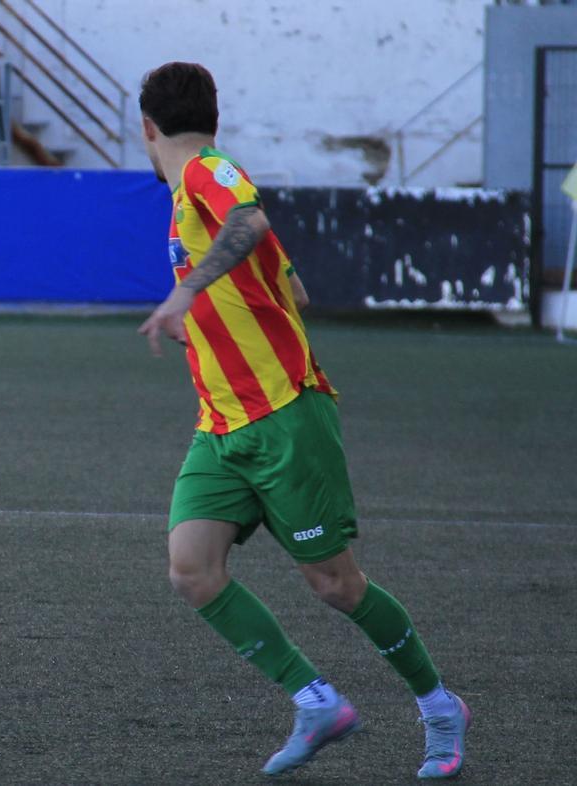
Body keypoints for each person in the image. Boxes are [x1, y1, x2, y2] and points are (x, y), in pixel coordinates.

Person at [135, 62, 470, 779]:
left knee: (336, 585)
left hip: (286, 412)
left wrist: (187, 294)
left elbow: (249, 221)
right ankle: (316, 701)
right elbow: (296, 290)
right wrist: (226, 314)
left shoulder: (208, 171)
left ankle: (440, 706)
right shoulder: (191, 196)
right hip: (221, 424)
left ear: (147, 128)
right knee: (192, 570)